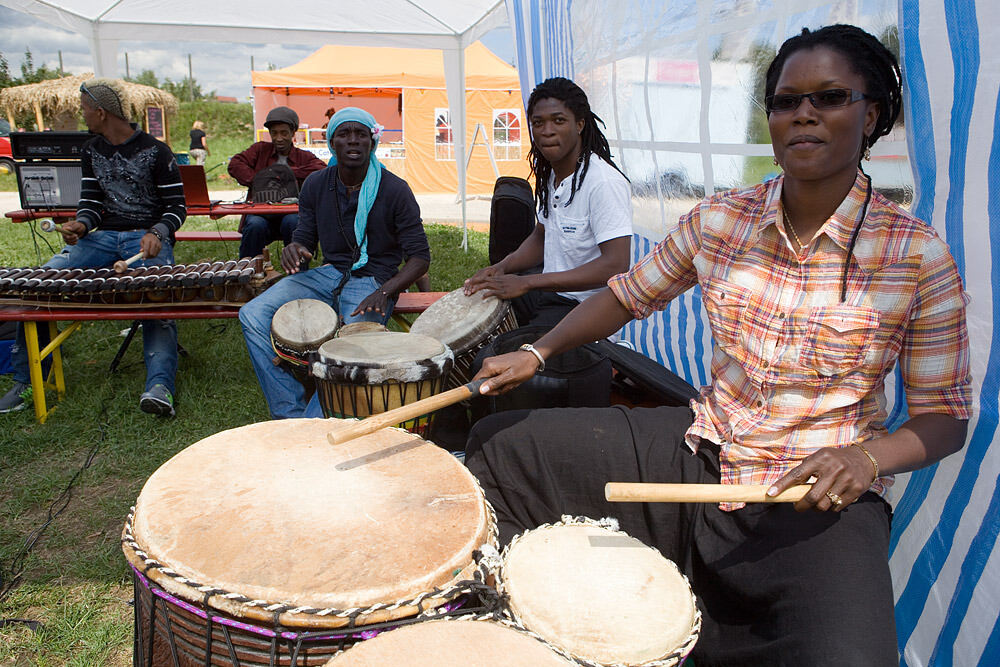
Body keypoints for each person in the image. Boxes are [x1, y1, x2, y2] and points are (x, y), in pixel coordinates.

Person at [465, 25, 971, 665]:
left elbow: (944, 418)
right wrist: (536, 353)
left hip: (818, 494)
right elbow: (626, 295)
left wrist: (867, 459)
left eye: (829, 97)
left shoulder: (918, 256)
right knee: (501, 448)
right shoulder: (720, 220)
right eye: (786, 101)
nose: (803, 113)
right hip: (705, 448)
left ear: (870, 116)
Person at [0, 78, 186, 416]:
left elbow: (177, 207)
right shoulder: (91, 150)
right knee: (38, 285)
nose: (82, 115)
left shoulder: (157, 151)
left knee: (157, 298)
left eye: (85, 109)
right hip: (102, 238)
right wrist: (81, 224)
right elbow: (91, 203)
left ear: (101, 112)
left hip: (145, 240)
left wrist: (158, 232)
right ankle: (27, 381)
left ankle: (160, 387)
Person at [239, 107, 431, 420]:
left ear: (372, 142)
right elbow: (305, 238)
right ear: (332, 143)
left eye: (361, 134)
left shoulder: (395, 189)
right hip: (329, 274)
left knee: (353, 344)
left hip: (373, 280)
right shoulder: (316, 184)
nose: (353, 140)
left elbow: (420, 257)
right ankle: (288, 411)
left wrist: (385, 291)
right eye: (344, 134)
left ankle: (311, 424)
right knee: (252, 313)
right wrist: (295, 248)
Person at [463, 77, 632, 330]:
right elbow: (541, 237)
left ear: (580, 124)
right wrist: (501, 267)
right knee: (477, 302)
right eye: (538, 123)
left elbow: (615, 265)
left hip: (585, 309)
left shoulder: (603, 183)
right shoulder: (553, 176)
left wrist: (528, 282)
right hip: (550, 295)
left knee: (506, 352)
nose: (547, 131)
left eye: (559, 120)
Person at [228, 106, 326, 259]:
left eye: (284, 133)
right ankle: (248, 268)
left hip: (290, 214)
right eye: (274, 133)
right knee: (254, 225)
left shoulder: (303, 156)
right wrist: (258, 180)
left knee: (293, 222)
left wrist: (286, 173)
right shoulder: (259, 150)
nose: (279, 138)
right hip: (261, 214)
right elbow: (235, 164)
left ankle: (298, 271)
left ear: (293, 133)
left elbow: (321, 169)